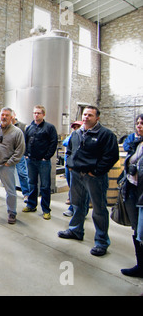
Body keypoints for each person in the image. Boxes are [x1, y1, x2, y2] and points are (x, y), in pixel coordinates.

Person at [58, 106, 119, 257]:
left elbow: (111, 156)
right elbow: (71, 150)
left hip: (94, 178)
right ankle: (75, 230)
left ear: (97, 118)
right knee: (77, 204)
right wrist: (71, 166)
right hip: (77, 175)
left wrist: (96, 171)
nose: (86, 117)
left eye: (90, 115)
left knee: (99, 209)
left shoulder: (105, 134)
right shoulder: (77, 133)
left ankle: (101, 242)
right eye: (85, 114)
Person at [22, 105, 58, 220]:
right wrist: (26, 155)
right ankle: (31, 205)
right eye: (34, 113)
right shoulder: (29, 127)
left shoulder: (49, 127)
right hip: (31, 161)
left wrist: (46, 157)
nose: (36, 115)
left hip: (43, 162)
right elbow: (25, 141)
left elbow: (53, 143)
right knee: (32, 184)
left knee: (45, 186)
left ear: (43, 114)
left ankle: (46, 210)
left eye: (38, 113)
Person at [121, 114, 143, 277]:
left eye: (142, 123)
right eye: (138, 123)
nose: (139, 126)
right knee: (136, 230)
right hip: (132, 189)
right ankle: (140, 266)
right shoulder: (137, 142)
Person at [62, 120, 86, 217]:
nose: (76, 129)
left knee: (82, 190)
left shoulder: (85, 136)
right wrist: (69, 164)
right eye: (74, 127)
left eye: (78, 126)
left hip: (82, 167)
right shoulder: (73, 136)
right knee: (72, 187)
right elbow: (65, 143)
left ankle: (78, 210)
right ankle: (73, 207)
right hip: (71, 166)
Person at [11, 110, 30, 203]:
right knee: (8, 174)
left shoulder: (23, 126)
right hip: (8, 155)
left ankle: (26, 193)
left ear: (14, 115)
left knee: (22, 173)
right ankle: (10, 192)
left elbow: (27, 140)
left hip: (20, 154)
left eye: (10, 115)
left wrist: (26, 153)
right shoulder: (5, 126)